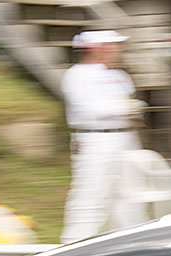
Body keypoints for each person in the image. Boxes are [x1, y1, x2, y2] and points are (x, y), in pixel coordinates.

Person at [59, 30, 148, 244]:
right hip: (96, 140)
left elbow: (130, 106)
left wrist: (129, 110)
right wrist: (125, 109)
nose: (118, 50)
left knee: (130, 195)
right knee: (92, 193)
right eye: (113, 45)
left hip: (126, 137)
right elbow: (89, 110)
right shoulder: (76, 75)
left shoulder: (119, 75)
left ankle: (131, 244)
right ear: (99, 48)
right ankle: (74, 244)